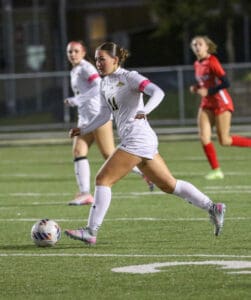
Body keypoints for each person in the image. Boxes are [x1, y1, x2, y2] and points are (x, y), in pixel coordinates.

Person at [65, 41, 226, 245]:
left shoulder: (130, 77)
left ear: (115, 60)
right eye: (96, 59)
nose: (98, 63)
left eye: (102, 59)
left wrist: (146, 110)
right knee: (170, 185)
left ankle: (90, 231)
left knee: (102, 179)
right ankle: (213, 207)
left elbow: (158, 92)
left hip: (137, 139)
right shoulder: (105, 83)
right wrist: (84, 129)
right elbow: (105, 114)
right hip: (139, 140)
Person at [65, 40, 154, 205]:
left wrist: (78, 99)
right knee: (78, 152)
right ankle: (85, 194)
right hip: (85, 117)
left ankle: (146, 173)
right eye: (70, 51)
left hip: (97, 115)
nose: (73, 54)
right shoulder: (75, 70)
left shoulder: (86, 68)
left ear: (84, 53)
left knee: (109, 154)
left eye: (76, 51)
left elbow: (97, 85)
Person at [189, 35, 251, 180]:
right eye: (194, 44)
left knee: (225, 140)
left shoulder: (212, 61)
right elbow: (205, 83)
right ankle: (216, 170)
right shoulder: (197, 64)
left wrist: (209, 92)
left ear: (207, 47)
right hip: (206, 104)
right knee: (204, 137)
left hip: (221, 103)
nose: (197, 47)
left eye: (200, 44)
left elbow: (226, 83)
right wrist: (196, 87)